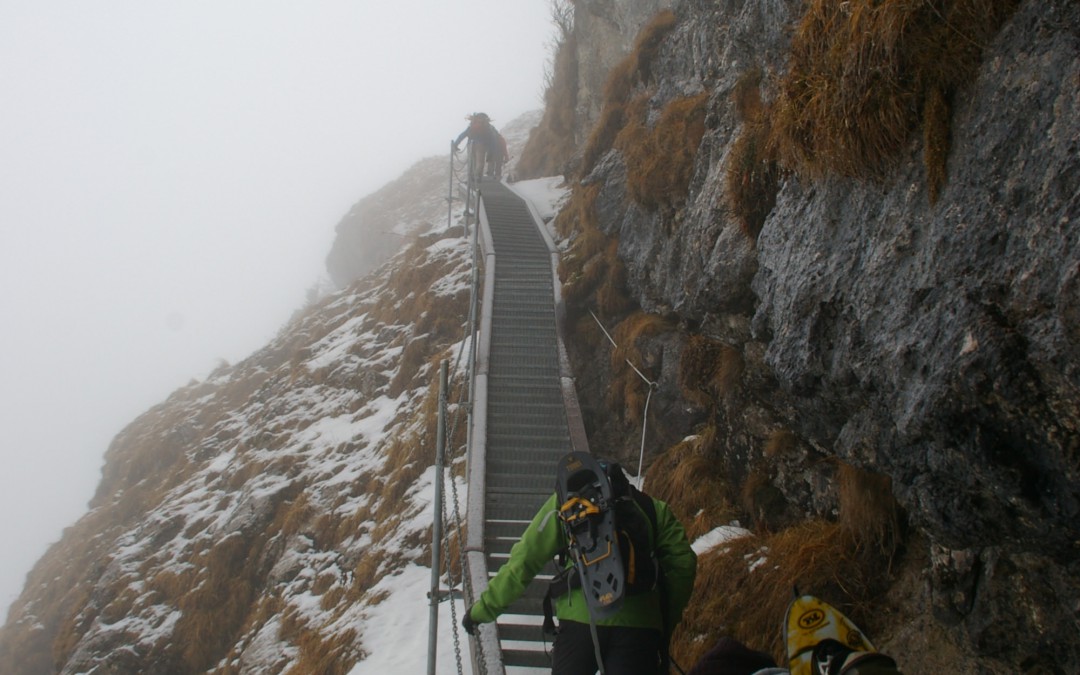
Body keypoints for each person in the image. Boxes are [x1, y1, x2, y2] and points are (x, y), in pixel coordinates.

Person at [462, 457, 698, 675]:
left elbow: (524, 561)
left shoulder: (568, 506)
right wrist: (663, 619)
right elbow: (684, 564)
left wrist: (481, 611)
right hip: (639, 626)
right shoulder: (651, 508)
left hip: (581, 623)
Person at [452, 112, 508, 180]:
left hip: (470, 145)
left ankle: (471, 177)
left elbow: (462, 135)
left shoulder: (471, 127)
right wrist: (491, 152)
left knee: (472, 162)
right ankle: (478, 177)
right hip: (481, 145)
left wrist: (455, 144)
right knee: (480, 163)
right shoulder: (489, 128)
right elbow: (493, 141)